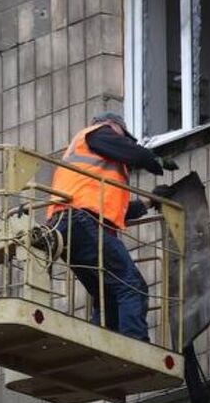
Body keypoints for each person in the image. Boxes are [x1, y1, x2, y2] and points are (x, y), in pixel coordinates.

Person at [44, 111, 178, 341]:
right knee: (132, 286)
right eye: (124, 136)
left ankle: (100, 346)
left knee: (107, 295)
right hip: (80, 221)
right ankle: (137, 346)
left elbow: (116, 212)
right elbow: (132, 153)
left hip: (69, 228)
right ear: (113, 126)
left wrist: (150, 200)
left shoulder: (95, 171)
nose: (125, 142)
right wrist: (152, 159)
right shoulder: (96, 134)